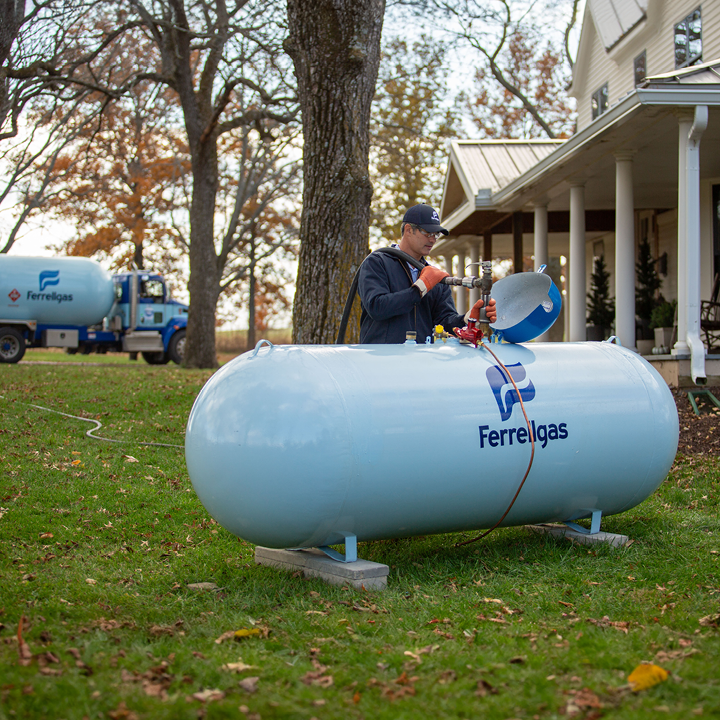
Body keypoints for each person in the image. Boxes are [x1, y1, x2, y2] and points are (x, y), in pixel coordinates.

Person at [358, 204, 497, 344]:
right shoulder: (377, 262)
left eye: (436, 234)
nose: (433, 239)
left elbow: (444, 323)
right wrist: (421, 288)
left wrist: (468, 319)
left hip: (422, 355)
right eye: (428, 233)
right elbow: (376, 307)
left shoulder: (435, 277)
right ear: (408, 230)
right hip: (381, 356)